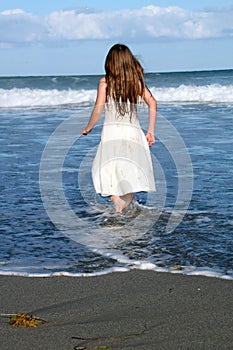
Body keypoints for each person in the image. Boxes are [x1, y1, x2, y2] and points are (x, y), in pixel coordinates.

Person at [82, 43, 157, 214]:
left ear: (110, 63)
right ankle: (122, 206)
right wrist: (151, 130)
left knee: (101, 171)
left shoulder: (105, 83)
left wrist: (89, 127)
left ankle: (117, 202)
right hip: (133, 134)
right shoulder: (136, 83)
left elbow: (98, 108)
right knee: (129, 173)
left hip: (112, 134)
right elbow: (152, 102)